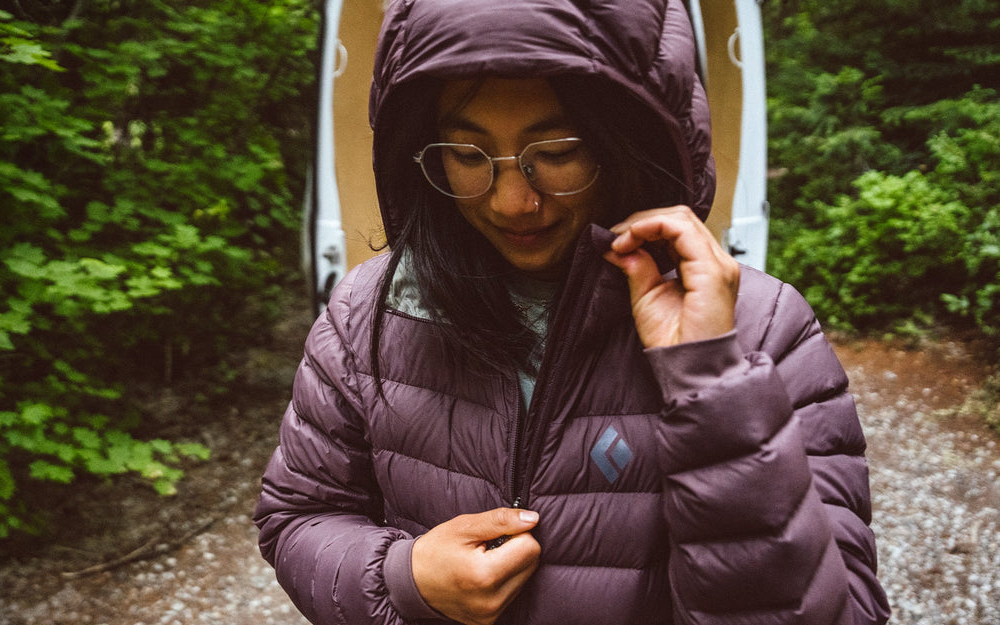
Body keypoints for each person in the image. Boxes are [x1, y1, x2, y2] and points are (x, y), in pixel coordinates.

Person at [253, 1, 891, 624]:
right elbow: (297, 517)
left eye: (556, 151)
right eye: (468, 155)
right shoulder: (367, 312)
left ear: (627, 141)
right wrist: (404, 579)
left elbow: (840, 610)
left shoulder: (762, 328)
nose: (512, 202)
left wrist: (710, 381)